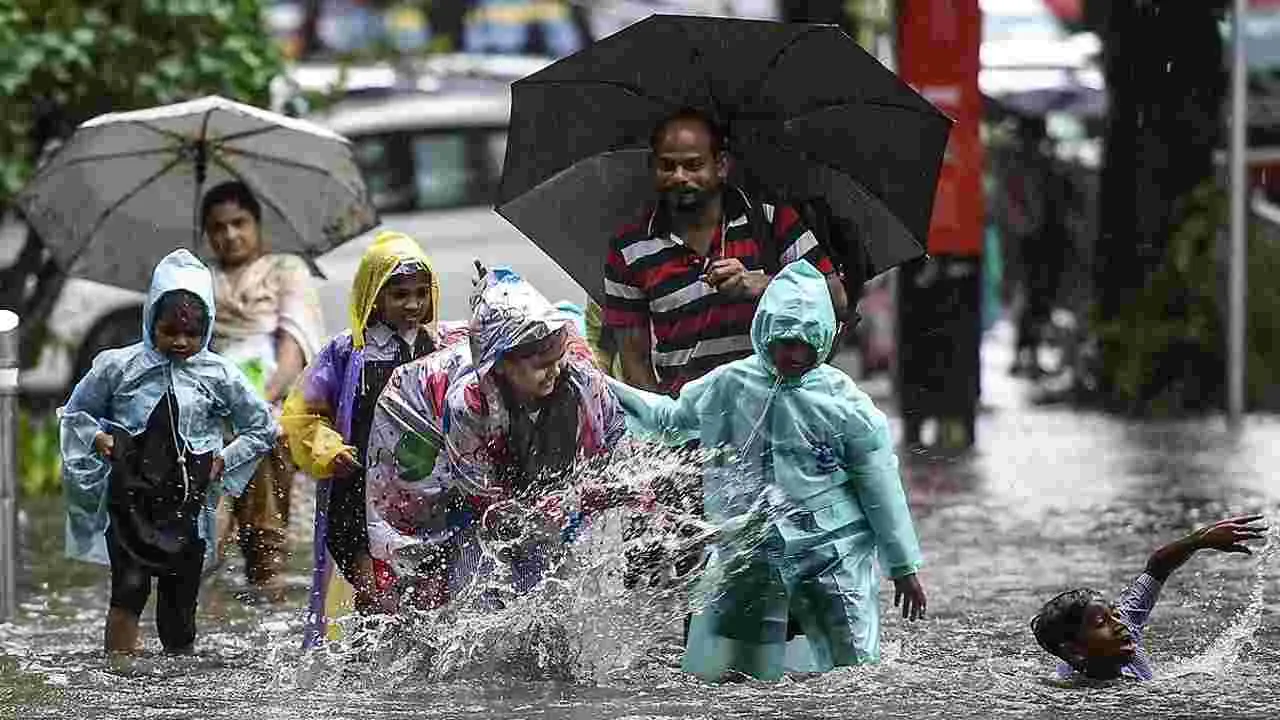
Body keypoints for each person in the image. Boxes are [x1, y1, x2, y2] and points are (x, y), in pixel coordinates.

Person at [606, 260, 927, 682]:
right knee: (726, 680)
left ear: (825, 340)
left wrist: (903, 567)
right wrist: (600, 385)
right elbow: (668, 420)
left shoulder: (847, 407)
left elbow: (880, 486)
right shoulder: (730, 384)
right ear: (764, 333)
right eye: (784, 341)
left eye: (805, 343)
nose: (793, 354)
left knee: (853, 678)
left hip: (829, 555)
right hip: (749, 551)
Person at [603, 108, 850, 588]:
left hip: (779, 426)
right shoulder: (629, 249)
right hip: (690, 430)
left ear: (721, 166)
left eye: (693, 164)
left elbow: (835, 297)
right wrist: (658, 446)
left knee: (785, 570)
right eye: (668, 165)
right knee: (688, 580)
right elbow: (632, 355)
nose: (680, 176)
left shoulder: (772, 222)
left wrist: (761, 285)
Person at [364, 265, 630, 611]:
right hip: (417, 425)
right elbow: (486, 500)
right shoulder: (468, 403)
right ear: (500, 364)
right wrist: (541, 514)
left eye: (555, 359)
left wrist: (603, 495)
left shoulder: (579, 376)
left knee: (548, 535)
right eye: (539, 364)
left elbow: (614, 444)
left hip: (506, 431)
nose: (553, 371)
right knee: (444, 554)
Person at [59, 249, 276, 654]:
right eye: (168, 331)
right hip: (130, 500)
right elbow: (75, 413)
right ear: (149, 322)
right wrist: (98, 438)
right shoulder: (117, 367)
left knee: (179, 611)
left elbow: (261, 426)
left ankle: (177, 687)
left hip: (188, 506)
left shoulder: (219, 374)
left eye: (191, 334)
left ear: (207, 327)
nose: (180, 342)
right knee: (127, 591)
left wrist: (224, 460)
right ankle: (119, 674)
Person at [281, 230, 459, 631]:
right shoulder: (348, 353)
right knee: (378, 600)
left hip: (423, 498)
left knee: (430, 603)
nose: (413, 305)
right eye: (399, 295)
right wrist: (327, 449)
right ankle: (366, 678)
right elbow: (303, 415)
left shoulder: (441, 348)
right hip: (357, 497)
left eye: (420, 292)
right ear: (374, 296)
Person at [202, 180, 325, 597]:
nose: (231, 235)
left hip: (270, 404)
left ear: (257, 225)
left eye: (240, 223)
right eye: (219, 227)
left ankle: (268, 586)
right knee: (202, 541)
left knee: (262, 453)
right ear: (207, 234)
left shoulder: (285, 270)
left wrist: (258, 402)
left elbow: (296, 344)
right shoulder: (200, 281)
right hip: (207, 409)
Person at [1031, 514, 1268, 681]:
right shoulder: (1069, 692)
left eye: (1116, 615)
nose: (1121, 623)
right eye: (1103, 623)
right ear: (1074, 651)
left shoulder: (1126, 628)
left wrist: (1199, 540)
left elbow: (1157, 567)